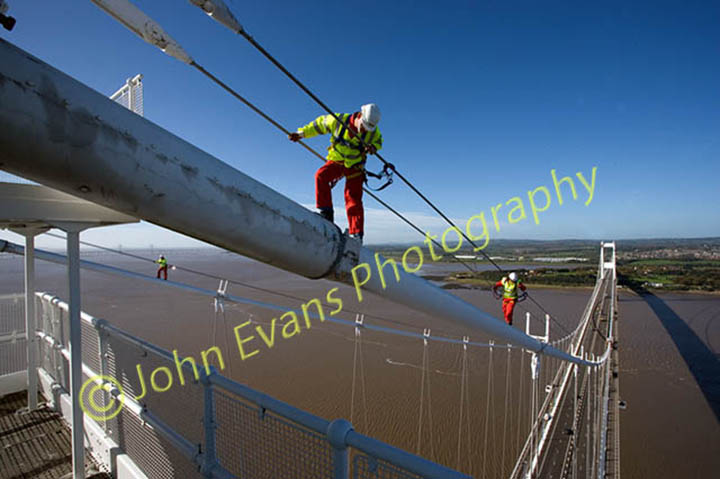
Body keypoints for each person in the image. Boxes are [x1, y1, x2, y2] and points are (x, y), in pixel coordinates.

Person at [289, 103, 384, 243]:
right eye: (364, 125)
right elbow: (319, 125)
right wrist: (301, 134)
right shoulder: (338, 121)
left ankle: (357, 234)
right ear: (359, 115)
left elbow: (379, 141)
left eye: (368, 128)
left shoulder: (373, 132)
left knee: (353, 198)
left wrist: (373, 148)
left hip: (355, 165)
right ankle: (326, 214)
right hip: (337, 161)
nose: (365, 130)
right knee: (321, 176)